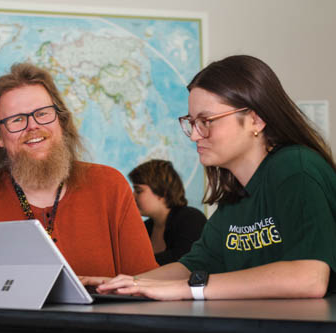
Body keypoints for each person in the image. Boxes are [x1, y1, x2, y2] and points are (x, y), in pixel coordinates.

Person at [81, 55, 336, 301]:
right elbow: (193, 267)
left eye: (206, 121)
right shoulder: (236, 194)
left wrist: (190, 289)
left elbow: (309, 278)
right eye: (191, 122)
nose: (194, 135)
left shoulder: (297, 168)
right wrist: (122, 285)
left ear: (255, 120)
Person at [0, 63, 158, 298]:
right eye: (16, 120)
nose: (33, 126)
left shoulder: (110, 185)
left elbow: (145, 281)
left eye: (43, 113)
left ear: (60, 121)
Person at [128, 159, 207, 265]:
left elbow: (184, 261)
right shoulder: (145, 228)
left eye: (138, 191)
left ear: (162, 191)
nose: (132, 196)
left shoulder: (191, 218)